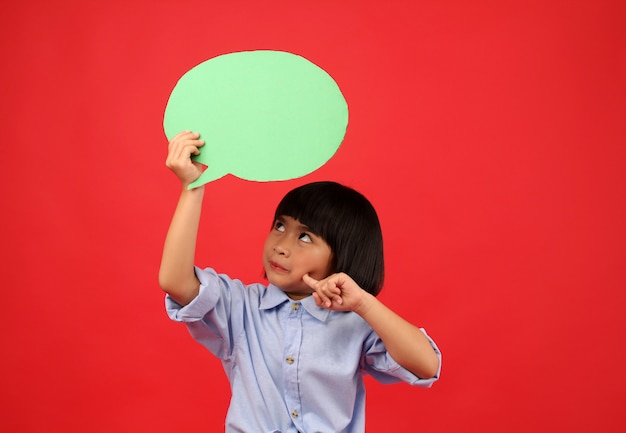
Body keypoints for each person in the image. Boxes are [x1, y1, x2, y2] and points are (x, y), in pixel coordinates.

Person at [159, 131, 442, 433]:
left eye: (305, 237)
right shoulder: (243, 308)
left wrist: (362, 303)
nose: (281, 245)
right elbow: (175, 282)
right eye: (280, 226)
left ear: (342, 257)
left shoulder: (355, 323)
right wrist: (192, 188)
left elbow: (427, 365)